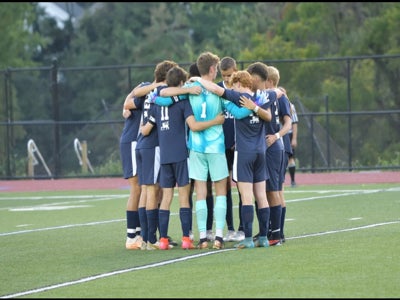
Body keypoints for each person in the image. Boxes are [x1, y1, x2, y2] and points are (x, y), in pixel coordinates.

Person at [189, 70, 278, 248]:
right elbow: (273, 103)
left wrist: (198, 79)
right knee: (261, 196)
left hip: (244, 152)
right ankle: (263, 238)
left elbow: (216, 89)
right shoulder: (262, 97)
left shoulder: (237, 98)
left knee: (246, 197)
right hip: (261, 151)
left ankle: (247, 239)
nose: (232, 87)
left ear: (238, 84)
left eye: (234, 85)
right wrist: (255, 108)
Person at [141, 65, 224, 250]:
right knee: (184, 197)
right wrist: (215, 122)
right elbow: (193, 126)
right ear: (180, 83)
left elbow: (146, 129)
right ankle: (187, 239)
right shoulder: (182, 102)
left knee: (167, 197)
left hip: (164, 156)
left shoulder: (157, 104)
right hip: (180, 154)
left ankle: (162, 240)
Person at [160, 52, 229, 250]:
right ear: (212, 69)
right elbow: (232, 105)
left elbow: (162, 95)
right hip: (216, 146)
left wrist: (188, 89)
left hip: (196, 148)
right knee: (220, 191)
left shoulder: (189, 88)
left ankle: (202, 238)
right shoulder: (218, 89)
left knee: (200, 192)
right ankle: (218, 236)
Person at [135, 60, 178, 250]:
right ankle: (151, 238)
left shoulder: (150, 92)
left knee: (146, 190)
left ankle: (145, 239)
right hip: (152, 145)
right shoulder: (160, 94)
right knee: (152, 190)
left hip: (142, 145)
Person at [249, 63, 292, 246]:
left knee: (274, 190)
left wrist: (276, 136)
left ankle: (277, 233)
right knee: (262, 190)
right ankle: (265, 231)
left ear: (268, 81)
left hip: (274, 148)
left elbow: (288, 123)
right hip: (260, 147)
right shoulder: (259, 96)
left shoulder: (278, 96)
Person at [217, 57, 244, 243]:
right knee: (224, 188)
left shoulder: (242, 89)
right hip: (221, 145)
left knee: (243, 187)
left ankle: (243, 228)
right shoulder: (218, 89)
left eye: (230, 75)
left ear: (236, 70)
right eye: (224, 76)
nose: (227, 79)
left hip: (239, 145)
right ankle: (231, 229)